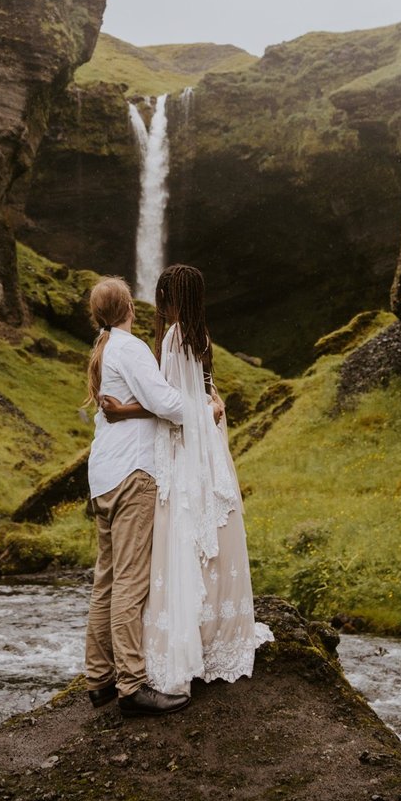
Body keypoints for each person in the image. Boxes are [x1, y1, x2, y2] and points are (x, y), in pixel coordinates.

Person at [102, 263, 272, 697]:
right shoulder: (200, 334)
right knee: (211, 534)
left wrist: (123, 411)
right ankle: (216, 633)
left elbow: (171, 406)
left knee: (183, 535)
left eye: (162, 295)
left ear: (168, 297)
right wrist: (209, 410)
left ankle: (183, 639)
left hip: (183, 446)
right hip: (205, 445)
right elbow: (197, 400)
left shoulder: (175, 337)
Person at [83, 275, 191, 716]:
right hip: (133, 473)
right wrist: (197, 402)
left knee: (106, 579)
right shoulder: (131, 348)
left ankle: (99, 678)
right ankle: (132, 686)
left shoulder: (105, 349)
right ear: (130, 305)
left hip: (104, 473)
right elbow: (171, 404)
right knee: (130, 580)